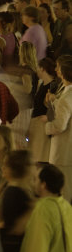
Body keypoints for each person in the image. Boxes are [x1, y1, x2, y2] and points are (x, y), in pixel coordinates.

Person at [14, 165, 72, 252]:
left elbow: (37, 245)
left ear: (44, 184)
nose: (34, 183)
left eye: (36, 180)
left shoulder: (43, 208)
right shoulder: (66, 205)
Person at [44, 58, 72, 202]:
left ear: (63, 73)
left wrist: (47, 127)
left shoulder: (67, 98)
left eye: (58, 68)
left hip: (63, 152)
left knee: (63, 195)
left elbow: (60, 125)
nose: (56, 70)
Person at [28, 58, 57, 163]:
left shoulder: (53, 86)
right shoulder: (42, 84)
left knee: (40, 157)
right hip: (36, 124)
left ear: (42, 69)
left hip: (42, 125)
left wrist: (47, 117)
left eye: (38, 68)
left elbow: (53, 106)